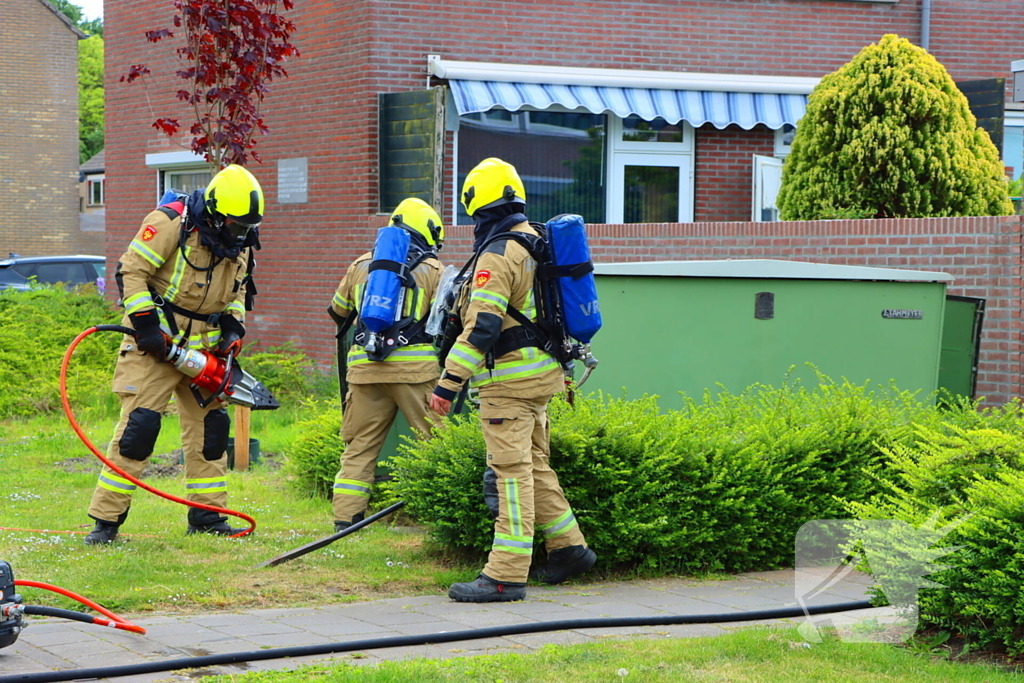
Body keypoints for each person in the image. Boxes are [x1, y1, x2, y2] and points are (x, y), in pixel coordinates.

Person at [431, 158, 596, 603]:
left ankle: (504, 575)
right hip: (545, 373)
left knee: (510, 474)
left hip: (509, 383)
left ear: (478, 207)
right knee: (536, 465)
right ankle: (569, 549)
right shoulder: (538, 240)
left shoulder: (497, 253)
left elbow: (482, 326)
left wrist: (449, 383)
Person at [84, 164, 264, 545]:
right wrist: (147, 327)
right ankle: (106, 523)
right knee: (139, 431)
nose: (240, 235)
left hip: (205, 353)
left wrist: (233, 328)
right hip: (156, 346)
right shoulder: (170, 224)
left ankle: (208, 516)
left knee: (211, 434)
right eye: (235, 226)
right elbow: (130, 272)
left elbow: (237, 294)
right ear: (215, 213)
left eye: (245, 228)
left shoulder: (238, 240)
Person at [328, 198, 445, 533]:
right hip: (415, 373)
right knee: (436, 443)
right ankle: (440, 519)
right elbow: (446, 320)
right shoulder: (434, 270)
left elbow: (337, 312)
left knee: (360, 447)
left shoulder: (361, 265)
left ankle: (346, 521)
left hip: (365, 370)